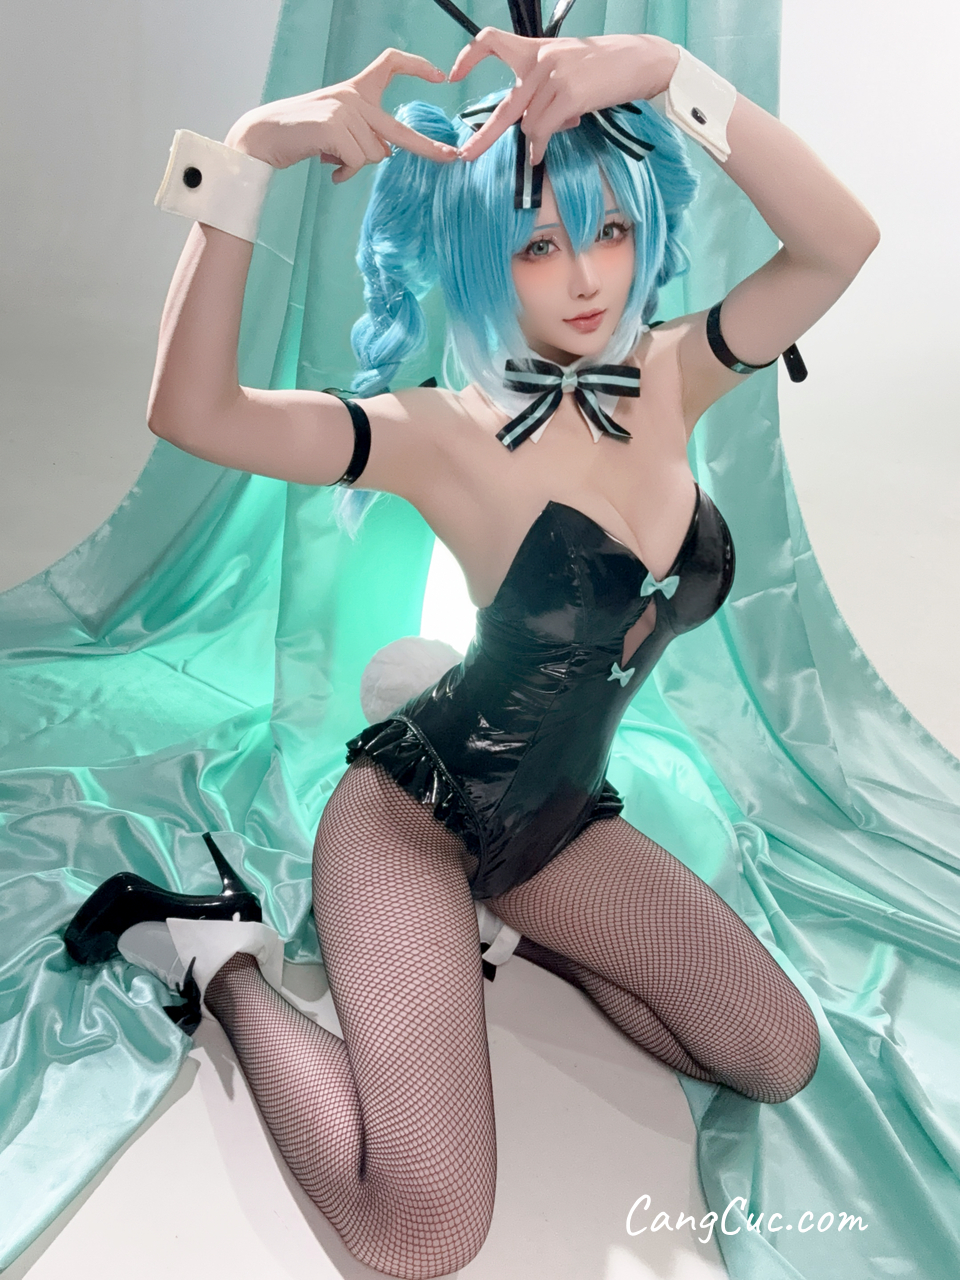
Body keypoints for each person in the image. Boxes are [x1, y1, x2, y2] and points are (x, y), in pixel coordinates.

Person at [65, 26, 879, 1280]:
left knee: (777, 1056)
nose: (588, 277)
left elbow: (841, 243)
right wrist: (248, 153)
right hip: (411, 822)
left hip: (555, 824)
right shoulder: (441, 432)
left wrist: (667, 70)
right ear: (475, 256)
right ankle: (214, 955)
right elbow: (193, 410)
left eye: (610, 231)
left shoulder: (673, 371)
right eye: (538, 245)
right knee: (423, 1230)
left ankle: (498, 924)